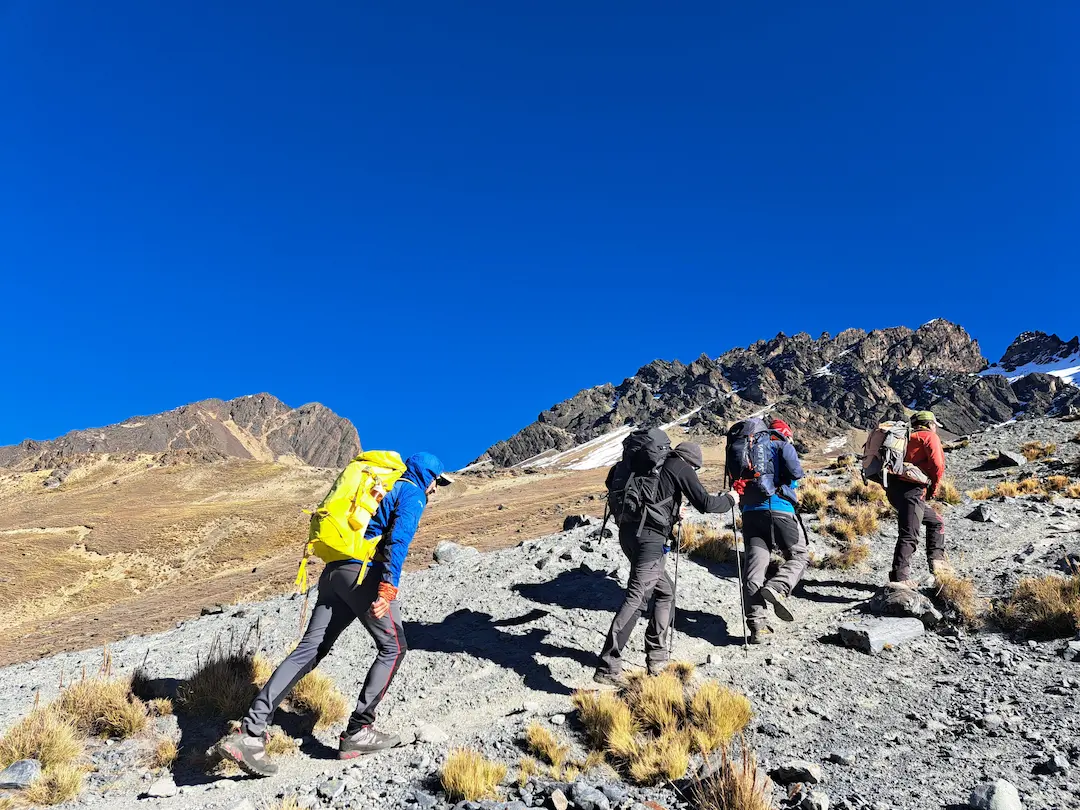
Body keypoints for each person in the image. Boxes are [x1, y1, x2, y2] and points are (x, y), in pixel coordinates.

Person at [213, 452, 452, 776]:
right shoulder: (412, 492)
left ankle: (250, 733)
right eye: (436, 481)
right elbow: (399, 540)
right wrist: (387, 589)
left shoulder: (383, 488)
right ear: (426, 476)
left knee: (309, 650)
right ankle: (359, 730)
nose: (435, 489)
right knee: (394, 648)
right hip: (363, 574)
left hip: (334, 572)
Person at [595, 439, 739, 684]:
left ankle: (657, 658)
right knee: (638, 598)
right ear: (691, 462)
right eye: (696, 468)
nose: (694, 472)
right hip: (650, 541)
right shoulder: (680, 466)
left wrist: (672, 512)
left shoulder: (649, 466)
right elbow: (705, 503)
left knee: (665, 591)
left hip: (628, 535)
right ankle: (608, 667)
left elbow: (647, 500)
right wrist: (731, 499)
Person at [736, 418, 807, 644]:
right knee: (799, 556)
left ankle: (757, 627)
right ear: (785, 433)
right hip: (780, 510)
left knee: (754, 571)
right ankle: (778, 586)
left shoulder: (746, 450)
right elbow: (796, 473)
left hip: (750, 515)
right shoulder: (781, 444)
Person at [886, 411, 945, 586]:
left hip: (894, 490)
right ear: (930, 424)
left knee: (935, 521)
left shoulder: (905, 437)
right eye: (934, 425)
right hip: (912, 490)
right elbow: (938, 465)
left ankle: (939, 567)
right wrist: (933, 489)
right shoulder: (928, 437)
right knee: (909, 534)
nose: (936, 428)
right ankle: (900, 580)